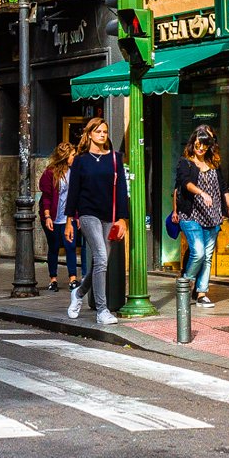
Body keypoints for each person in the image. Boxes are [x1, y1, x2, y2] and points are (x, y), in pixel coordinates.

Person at [63, 117, 128, 326]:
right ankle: (102, 310)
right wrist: (69, 221)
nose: (102, 135)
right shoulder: (81, 160)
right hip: (88, 213)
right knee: (100, 257)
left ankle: (79, 293)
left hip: (109, 214)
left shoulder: (115, 159)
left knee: (102, 262)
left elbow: (122, 191)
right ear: (89, 134)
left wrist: (123, 219)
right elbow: (73, 192)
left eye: (105, 131)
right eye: (98, 131)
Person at [174, 126, 229, 308]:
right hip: (191, 214)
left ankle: (201, 293)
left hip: (213, 216)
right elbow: (185, 184)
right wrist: (202, 193)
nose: (201, 148)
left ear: (209, 147)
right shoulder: (185, 163)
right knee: (198, 252)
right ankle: (186, 282)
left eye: (204, 146)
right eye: (198, 144)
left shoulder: (214, 165)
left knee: (207, 256)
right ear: (192, 144)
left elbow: (223, 187)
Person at [38, 142, 79, 293]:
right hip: (52, 216)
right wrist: (47, 216)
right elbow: (47, 197)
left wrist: (76, 216)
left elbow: (76, 196)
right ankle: (53, 279)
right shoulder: (50, 173)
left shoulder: (74, 172)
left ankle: (73, 279)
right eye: (73, 155)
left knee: (70, 246)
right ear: (65, 157)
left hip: (68, 217)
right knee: (54, 247)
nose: (75, 158)